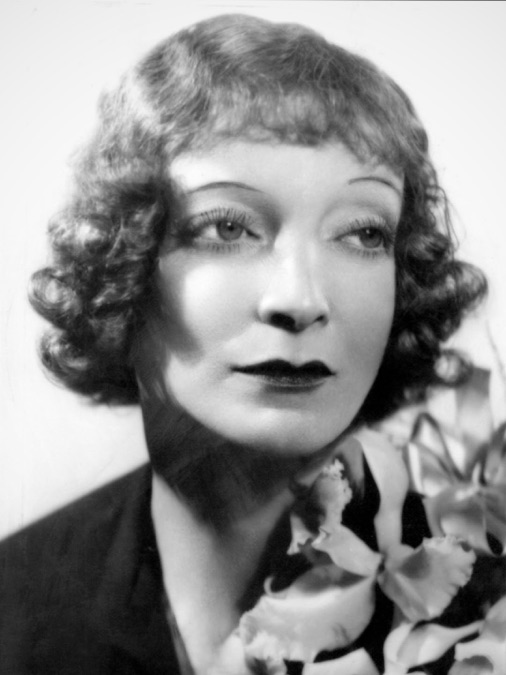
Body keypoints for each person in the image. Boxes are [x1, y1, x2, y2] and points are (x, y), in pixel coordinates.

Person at [0, 13, 489, 675]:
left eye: (363, 233)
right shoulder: (16, 605)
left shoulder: (480, 602)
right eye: (228, 227)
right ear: (123, 265)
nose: (301, 298)